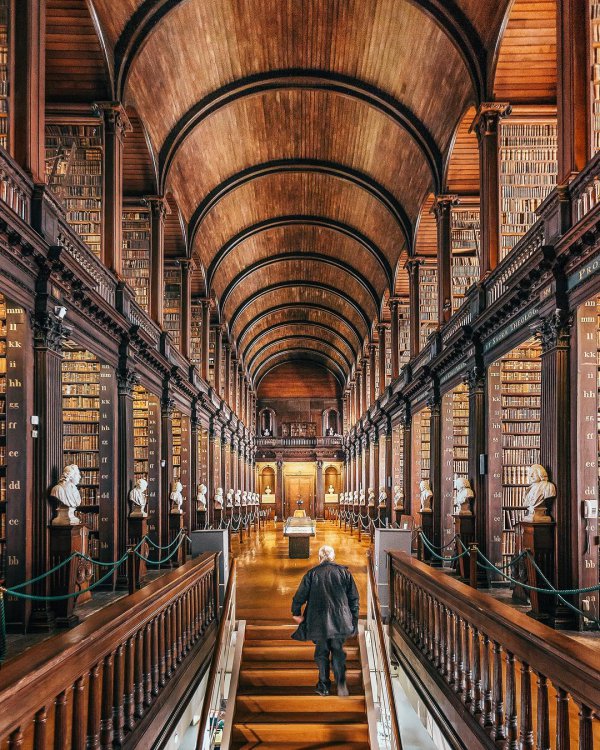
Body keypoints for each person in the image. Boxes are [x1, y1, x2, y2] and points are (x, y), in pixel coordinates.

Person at [291, 545, 359, 697]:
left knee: (321, 653)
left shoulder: (312, 574)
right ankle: (341, 683)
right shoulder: (344, 573)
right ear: (333, 557)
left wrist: (296, 613)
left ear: (319, 558)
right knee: (338, 651)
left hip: (318, 621)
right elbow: (354, 599)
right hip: (341, 621)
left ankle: (324, 686)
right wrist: (353, 619)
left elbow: (299, 597)